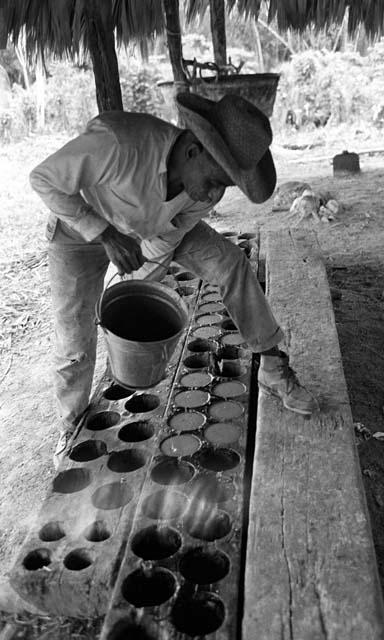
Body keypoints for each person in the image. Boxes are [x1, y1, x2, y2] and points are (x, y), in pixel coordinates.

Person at [30, 92, 316, 468]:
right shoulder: (118, 146)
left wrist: (138, 292)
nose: (215, 195)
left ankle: (274, 367)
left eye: (225, 187)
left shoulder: (201, 191)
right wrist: (104, 233)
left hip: (150, 230)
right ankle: (72, 426)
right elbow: (44, 180)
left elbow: (167, 238)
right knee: (74, 339)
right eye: (215, 181)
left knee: (231, 264)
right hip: (79, 230)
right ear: (194, 150)